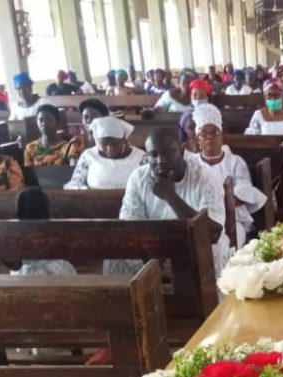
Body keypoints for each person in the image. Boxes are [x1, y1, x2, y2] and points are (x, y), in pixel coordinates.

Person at [119, 127, 227, 275]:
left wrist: (170, 196)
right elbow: (130, 226)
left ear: (182, 151)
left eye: (169, 153)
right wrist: (154, 250)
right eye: (153, 155)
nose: (160, 161)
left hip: (197, 247)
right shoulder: (138, 178)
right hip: (153, 247)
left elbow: (213, 233)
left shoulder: (207, 177)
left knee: (207, 253)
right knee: (117, 257)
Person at [186, 104, 267, 246]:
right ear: (198, 138)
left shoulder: (235, 162)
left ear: (221, 135)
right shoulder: (191, 163)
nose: (210, 137)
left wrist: (221, 202)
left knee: (230, 244)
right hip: (198, 220)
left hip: (233, 220)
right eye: (204, 133)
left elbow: (243, 192)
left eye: (214, 132)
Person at [64, 115, 146, 190]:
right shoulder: (89, 155)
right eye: (104, 145)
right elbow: (76, 183)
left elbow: (148, 185)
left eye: (114, 144)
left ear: (124, 140)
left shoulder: (140, 156)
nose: (109, 149)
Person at [12, 188, 76, 276]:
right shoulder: (56, 230)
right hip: (55, 272)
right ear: (47, 213)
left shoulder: (16, 233)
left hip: (23, 274)